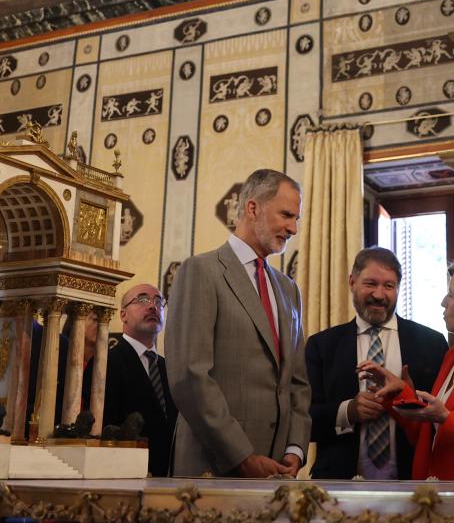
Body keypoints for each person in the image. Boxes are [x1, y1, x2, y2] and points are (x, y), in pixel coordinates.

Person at [168, 169, 311, 477]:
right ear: (252, 208)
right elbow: (189, 377)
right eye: (286, 215)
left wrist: (295, 449)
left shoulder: (289, 290)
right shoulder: (201, 272)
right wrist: (243, 456)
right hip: (213, 467)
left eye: (296, 218)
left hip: (277, 474)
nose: (293, 228)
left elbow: (297, 382)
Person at [304, 247, 447, 480]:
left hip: (413, 482)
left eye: (389, 286)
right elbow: (304, 420)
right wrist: (347, 411)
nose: (379, 295)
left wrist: (409, 399)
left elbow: (441, 421)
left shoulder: (432, 343)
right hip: (338, 485)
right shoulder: (322, 346)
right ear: (352, 282)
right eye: (371, 283)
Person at [362, 260, 454, 481]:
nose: (443, 302)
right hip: (431, 488)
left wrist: (446, 418)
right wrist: (400, 393)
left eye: (451, 295)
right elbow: (426, 434)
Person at [100, 282, 177, 477]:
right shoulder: (107, 362)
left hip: (170, 476)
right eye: (142, 300)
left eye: (159, 302)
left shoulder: (170, 367)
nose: (152, 306)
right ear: (123, 315)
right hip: (124, 475)